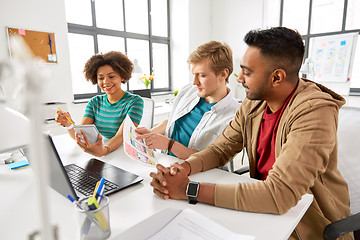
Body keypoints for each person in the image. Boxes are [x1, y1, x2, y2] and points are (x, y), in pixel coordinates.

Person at [149, 27, 352, 240]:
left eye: (247, 72)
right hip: (263, 212)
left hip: (306, 224)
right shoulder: (254, 103)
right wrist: (182, 169)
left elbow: (279, 194)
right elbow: (220, 150)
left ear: (277, 77)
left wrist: (189, 189)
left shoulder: (314, 111)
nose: (239, 79)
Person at [135, 41, 240, 160]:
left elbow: (210, 161)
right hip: (166, 163)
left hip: (198, 176)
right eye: (193, 74)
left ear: (223, 74)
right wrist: (149, 135)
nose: (195, 82)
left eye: (201, 75)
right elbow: (170, 122)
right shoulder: (188, 90)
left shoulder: (235, 116)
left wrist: (170, 145)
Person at [56, 51, 144, 157]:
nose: (106, 82)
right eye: (101, 78)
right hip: (105, 150)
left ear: (122, 76)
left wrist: (104, 150)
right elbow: (81, 135)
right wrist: (68, 124)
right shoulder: (95, 102)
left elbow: (122, 135)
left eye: (111, 76)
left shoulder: (135, 102)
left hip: (125, 152)